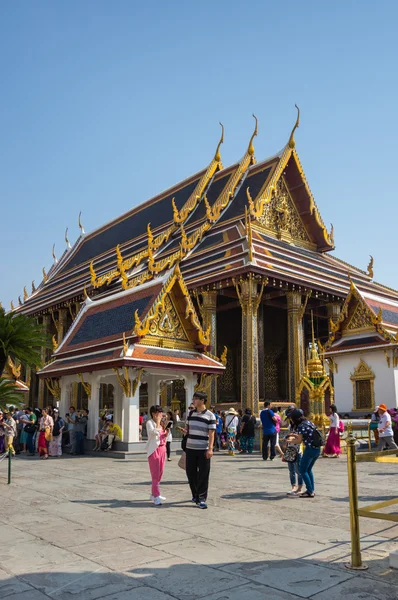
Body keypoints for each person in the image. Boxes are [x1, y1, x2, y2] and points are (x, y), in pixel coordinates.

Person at [185, 391, 216, 509]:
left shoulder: (210, 415)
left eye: (195, 399)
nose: (193, 401)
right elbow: (188, 428)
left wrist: (210, 449)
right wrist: (186, 431)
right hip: (190, 447)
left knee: (203, 474)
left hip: (203, 448)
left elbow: (211, 434)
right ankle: (195, 494)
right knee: (190, 473)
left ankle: (202, 498)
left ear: (202, 400)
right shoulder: (191, 414)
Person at [286, 409, 322, 498]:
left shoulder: (301, 426)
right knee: (308, 469)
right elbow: (304, 435)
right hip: (317, 449)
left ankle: (310, 491)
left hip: (310, 449)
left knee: (302, 470)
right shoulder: (308, 423)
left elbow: (299, 441)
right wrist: (295, 436)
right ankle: (311, 490)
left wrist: (289, 440)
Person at [146, 405, 169, 505]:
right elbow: (153, 433)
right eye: (158, 412)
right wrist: (158, 423)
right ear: (153, 414)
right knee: (155, 474)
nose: (160, 414)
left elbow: (163, 436)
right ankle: (156, 495)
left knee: (160, 472)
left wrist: (167, 432)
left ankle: (154, 493)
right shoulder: (149, 423)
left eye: (160, 412)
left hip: (163, 449)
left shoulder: (162, 423)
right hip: (154, 450)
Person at [283, 407, 303, 495]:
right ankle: (293, 486)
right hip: (290, 448)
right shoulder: (291, 426)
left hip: (297, 449)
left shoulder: (300, 426)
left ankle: (300, 487)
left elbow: (300, 438)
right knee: (291, 470)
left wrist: (291, 437)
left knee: (298, 470)